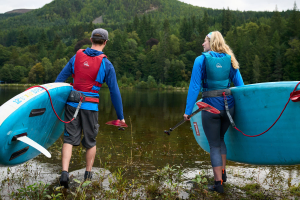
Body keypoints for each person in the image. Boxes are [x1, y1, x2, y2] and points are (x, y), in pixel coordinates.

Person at [55, 28, 125, 188]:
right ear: (105, 42)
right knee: (90, 141)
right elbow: (114, 92)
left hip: (72, 104)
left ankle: (64, 173)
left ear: (91, 40)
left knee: (68, 139)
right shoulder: (107, 64)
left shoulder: (76, 56)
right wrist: (120, 116)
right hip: (90, 106)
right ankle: (88, 174)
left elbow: (59, 80)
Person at [183, 31, 244, 193]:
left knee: (214, 145)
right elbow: (240, 86)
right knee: (221, 139)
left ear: (212, 42)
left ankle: (218, 185)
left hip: (211, 107)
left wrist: (188, 111)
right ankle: (223, 175)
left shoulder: (201, 60)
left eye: (205, 41)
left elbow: (195, 86)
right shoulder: (230, 59)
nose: (203, 44)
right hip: (229, 107)